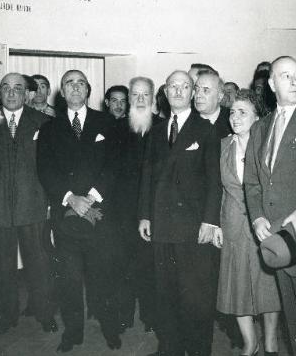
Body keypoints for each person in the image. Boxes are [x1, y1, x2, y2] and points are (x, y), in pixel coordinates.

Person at [244, 56, 296, 356]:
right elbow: (252, 181)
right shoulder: (261, 127)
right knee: (291, 317)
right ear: (271, 84)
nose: (294, 82)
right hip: (275, 235)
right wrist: (257, 218)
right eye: (285, 76)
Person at [37, 70, 123, 352]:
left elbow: (114, 165)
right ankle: (72, 333)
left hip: (100, 216)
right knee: (69, 281)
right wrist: (70, 198)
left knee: (104, 277)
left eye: (81, 83)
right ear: (61, 92)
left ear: (88, 90)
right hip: (66, 216)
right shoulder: (50, 127)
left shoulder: (107, 122)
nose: (75, 88)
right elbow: (45, 170)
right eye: (69, 84)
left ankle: (111, 329)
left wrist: (92, 197)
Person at [138, 70, 221, 356]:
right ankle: (169, 349)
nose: (178, 91)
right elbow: (147, 175)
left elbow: (215, 180)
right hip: (161, 226)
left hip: (193, 228)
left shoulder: (207, 129)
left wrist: (210, 220)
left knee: (196, 297)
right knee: (166, 293)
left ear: (193, 92)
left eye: (184, 86)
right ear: (165, 91)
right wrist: (144, 215)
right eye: (173, 86)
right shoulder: (157, 130)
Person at [0, 73, 57, 334]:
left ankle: (45, 313)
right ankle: (7, 315)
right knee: (2, 266)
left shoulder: (45, 122)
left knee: (40, 264)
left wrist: (51, 201)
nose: (12, 93)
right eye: (6, 88)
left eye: (18, 89)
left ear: (27, 94)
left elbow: (53, 167)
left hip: (34, 205)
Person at [215, 89, 281, 356]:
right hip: (233, 226)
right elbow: (221, 190)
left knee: (268, 287)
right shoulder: (223, 145)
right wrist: (218, 225)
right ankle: (249, 343)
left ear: (257, 118)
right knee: (237, 286)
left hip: (264, 225)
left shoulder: (269, 146)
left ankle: (271, 342)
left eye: (243, 112)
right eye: (232, 112)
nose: (235, 117)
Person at [110, 76, 162, 333]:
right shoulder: (116, 129)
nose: (140, 100)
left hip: (153, 213)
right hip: (121, 213)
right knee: (122, 266)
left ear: (152, 98)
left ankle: (152, 317)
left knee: (150, 268)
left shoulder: (164, 128)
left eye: (145, 95)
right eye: (135, 95)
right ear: (129, 98)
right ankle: (124, 316)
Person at [194, 69, 232, 139]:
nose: (198, 95)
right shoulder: (185, 119)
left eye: (205, 90)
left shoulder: (232, 119)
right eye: (197, 89)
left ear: (220, 96)